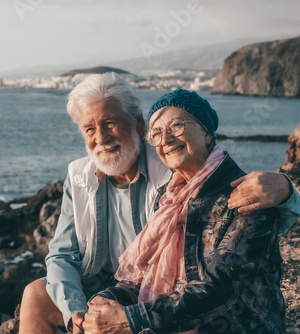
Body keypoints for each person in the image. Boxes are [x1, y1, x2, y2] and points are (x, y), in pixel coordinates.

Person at [19, 73, 298, 334]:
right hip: (136, 292)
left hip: (201, 312)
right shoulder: (171, 193)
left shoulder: (181, 175)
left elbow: (218, 286)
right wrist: (84, 311)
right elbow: (65, 256)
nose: (101, 138)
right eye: (90, 128)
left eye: (110, 123)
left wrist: (286, 190)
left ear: (137, 124)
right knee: (36, 294)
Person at [84, 89, 286, 333]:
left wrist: (131, 319)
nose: (166, 139)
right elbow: (146, 278)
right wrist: (105, 302)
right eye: (156, 134)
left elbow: (219, 288)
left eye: (176, 126)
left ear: (207, 133)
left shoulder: (247, 196)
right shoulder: (170, 198)